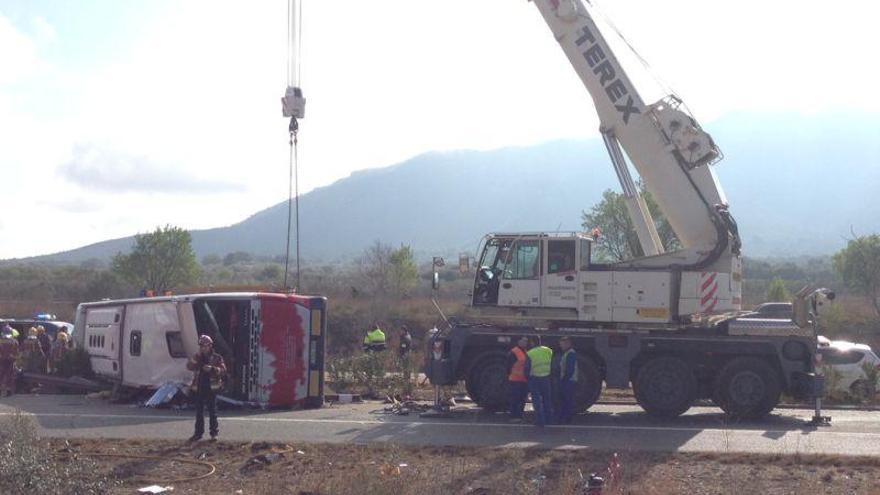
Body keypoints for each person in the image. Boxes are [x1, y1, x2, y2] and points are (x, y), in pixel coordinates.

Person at [187, 335, 227, 442]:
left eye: (206, 345)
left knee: (212, 412)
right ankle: (198, 434)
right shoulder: (197, 356)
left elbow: (223, 370)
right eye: (201, 345)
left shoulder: (217, 357)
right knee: (199, 412)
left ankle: (214, 434)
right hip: (199, 387)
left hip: (211, 388)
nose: (203, 348)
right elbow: (189, 366)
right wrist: (196, 359)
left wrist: (212, 369)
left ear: (210, 346)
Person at [524, 336, 554, 427]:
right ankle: (549, 419)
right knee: (547, 400)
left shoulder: (530, 353)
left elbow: (527, 368)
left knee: (537, 400)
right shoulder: (548, 350)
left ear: (532, 342)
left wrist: (527, 378)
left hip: (535, 378)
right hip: (546, 377)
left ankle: (540, 421)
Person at [506, 335, 529, 423]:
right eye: (523, 341)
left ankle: (519, 416)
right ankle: (514, 416)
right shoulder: (514, 352)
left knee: (522, 399)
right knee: (515, 399)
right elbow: (509, 366)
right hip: (515, 380)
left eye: (526, 341)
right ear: (518, 341)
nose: (525, 343)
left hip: (523, 380)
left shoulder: (525, 351)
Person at [557, 336, 579, 424]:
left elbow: (570, 369)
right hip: (569, 380)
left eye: (562, 344)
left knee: (566, 400)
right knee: (567, 400)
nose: (561, 346)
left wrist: (564, 379)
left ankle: (566, 419)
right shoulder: (568, 353)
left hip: (569, 381)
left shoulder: (570, 354)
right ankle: (566, 418)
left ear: (568, 344)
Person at [0, 326, 19, 397]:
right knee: (10, 375)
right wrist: (15, 358)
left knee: (1, 375)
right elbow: (16, 352)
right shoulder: (14, 341)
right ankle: (9, 391)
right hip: (10, 360)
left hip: (1, 360)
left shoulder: (1, 341)